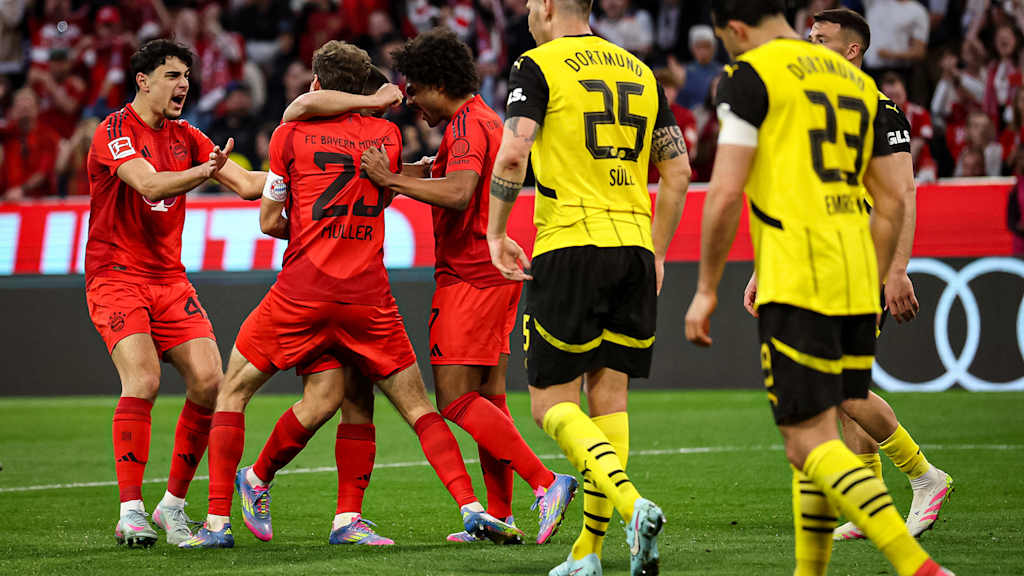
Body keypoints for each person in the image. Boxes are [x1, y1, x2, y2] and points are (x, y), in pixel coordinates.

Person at [179, 40, 523, 550]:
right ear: (363, 87)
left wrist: (311, 223)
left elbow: (270, 218)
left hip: (301, 292)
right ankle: (460, 508)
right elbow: (379, 194)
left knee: (238, 392)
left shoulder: (289, 132)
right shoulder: (385, 135)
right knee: (406, 406)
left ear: (316, 83)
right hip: (366, 297)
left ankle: (217, 523)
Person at [685, 3, 952, 576]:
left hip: (807, 274)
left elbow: (728, 191)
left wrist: (707, 287)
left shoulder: (753, 76)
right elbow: (877, 193)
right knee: (833, 412)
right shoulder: (854, 87)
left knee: (809, 438)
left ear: (733, 30)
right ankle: (839, 536)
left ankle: (922, 516)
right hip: (851, 266)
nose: (815, 40)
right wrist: (875, 269)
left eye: (825, 36)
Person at [485, 0, 692, 571]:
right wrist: (658, 251)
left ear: (549, 6)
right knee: (610, 400)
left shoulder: (538, 64)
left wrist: (495, 231)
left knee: (551, 404)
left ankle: (632, 506)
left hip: (571, 245)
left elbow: (515, 150)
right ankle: (589, 552)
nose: (527, 9)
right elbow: (678, 170)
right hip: (633, 249)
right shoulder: (639, 70)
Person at [84, 38, 267, 548]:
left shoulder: (187, 134)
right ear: (142, 80)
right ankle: (131, 511)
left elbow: (250, 185)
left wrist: (322, 175)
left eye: (185, 74)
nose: (182, 83)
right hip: (115, 275)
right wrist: (203, 174)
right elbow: (149, 184)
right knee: (141, 380)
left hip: (168, 279)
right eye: (170, 74)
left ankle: (172, 506)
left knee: (210, 382)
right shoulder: (114, 130)